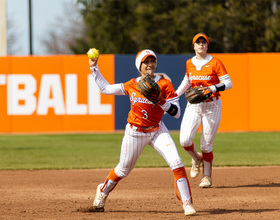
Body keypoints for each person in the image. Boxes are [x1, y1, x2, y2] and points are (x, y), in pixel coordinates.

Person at [88, 49, 196, 216]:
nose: (150, 64)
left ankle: (188, 203)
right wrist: (94, 68)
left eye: (152, 61)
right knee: (123, 170)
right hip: (135, 132)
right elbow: (106, 89)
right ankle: (102, 191)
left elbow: (177, 113)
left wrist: (161, 101)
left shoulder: (165, 84)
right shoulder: (132, 84)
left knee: (177, 162)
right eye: (146, 62)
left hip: (157, 130)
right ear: (139, 65)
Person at [175, 33, 233, 188]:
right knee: (185, 140)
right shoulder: (189, 62)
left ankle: (207, 177)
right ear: (193, 46)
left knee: (206, 145)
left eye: (204, 42)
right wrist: (174, 95)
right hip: (194, 105)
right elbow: (187, 80)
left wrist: (211, 88)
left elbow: (228, 83)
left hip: (212, 105)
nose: (201, 45)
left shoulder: (215, 62)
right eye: (198, 42)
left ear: (207, 46)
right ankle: (196, 159)